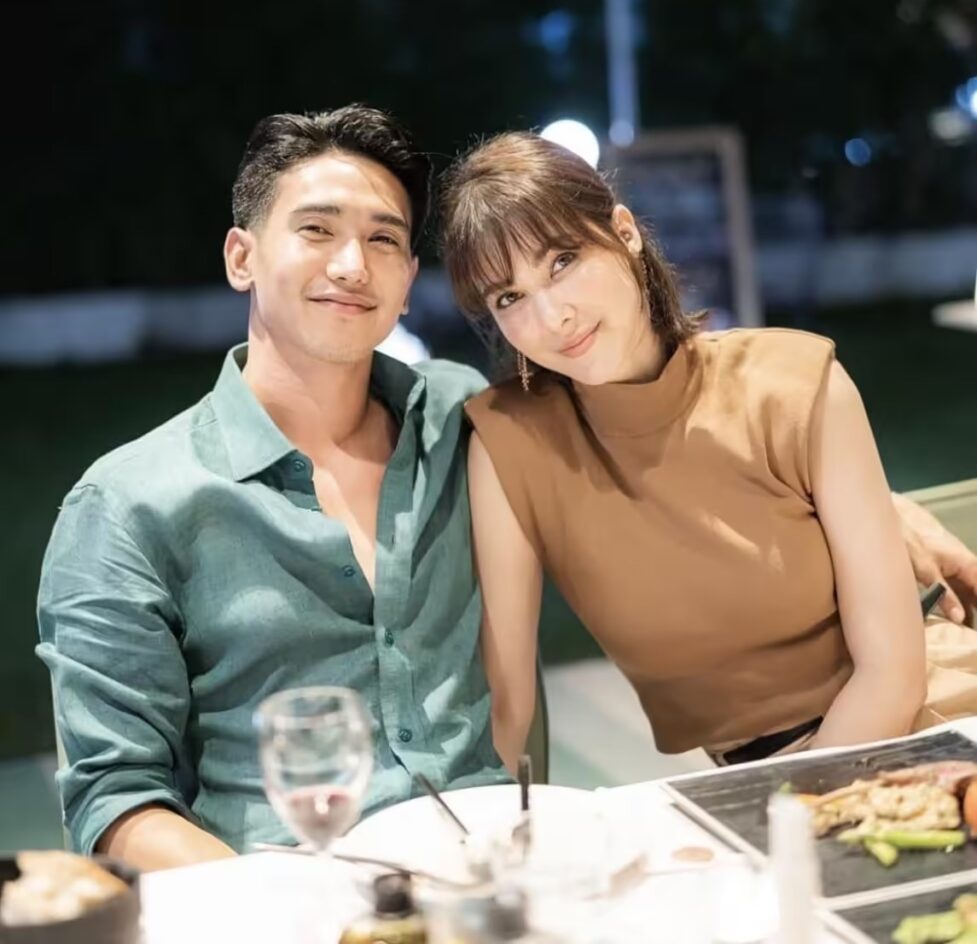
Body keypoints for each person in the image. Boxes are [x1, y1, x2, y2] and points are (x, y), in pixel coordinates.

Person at [36, 106, 508, 871]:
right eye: (317, 230)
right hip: (281, 890)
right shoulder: (128, 505)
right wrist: (280, 905)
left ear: (406, 283)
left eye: (383, 239)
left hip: (491, 872)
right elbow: (115, 798)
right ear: (241, 258)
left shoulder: (460, 418)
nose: (352, 265)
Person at [439, 130, 977, 772]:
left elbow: (892, 675)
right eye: (510, 297)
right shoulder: (510, 445)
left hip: (928, 730)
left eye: (563, 261)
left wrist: (789, 810)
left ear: (624, 232)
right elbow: (507, 707)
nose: (552, 316)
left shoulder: (792, 384)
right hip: (774, 780)